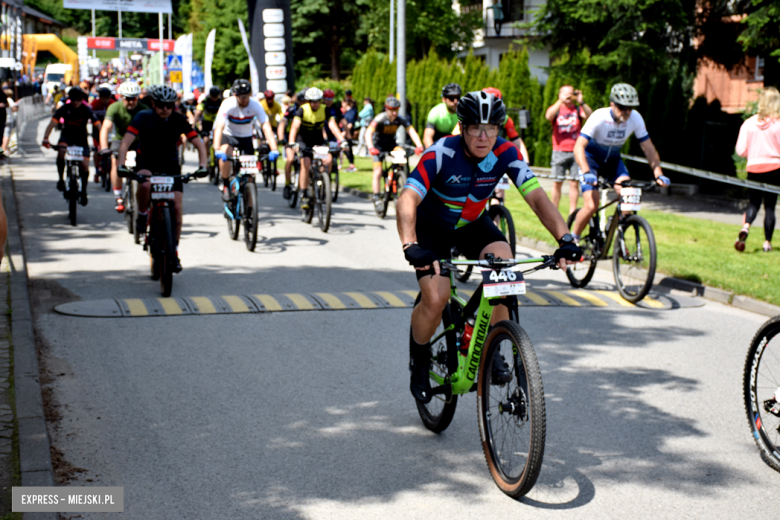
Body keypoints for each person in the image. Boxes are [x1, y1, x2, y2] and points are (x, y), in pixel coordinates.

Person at [397, 90, 582, 402]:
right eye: (475, 128)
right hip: (433, 227)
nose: (483, 137)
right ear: (462, 126)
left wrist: (565, 239)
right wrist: (410, 245)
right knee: (437, 297)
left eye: (491, 128)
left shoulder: (507, 153)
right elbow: (407, 198)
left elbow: (537, 197)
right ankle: (419, 360)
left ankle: (492, 344)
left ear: (499, 128)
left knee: (504, 268)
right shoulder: (441, 153)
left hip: (472, 223)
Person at [116, 85, 208, 272]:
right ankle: (142, 214)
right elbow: (126, 141)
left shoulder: (178, 119)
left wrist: (203, 166)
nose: (165, 109)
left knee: (177, 208)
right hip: (147, 161)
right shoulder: (143, 117)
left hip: (170, 164)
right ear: (153, 103)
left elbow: (198, 143)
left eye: (169, 105)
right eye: (160, 105)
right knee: (145, 184)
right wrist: (120, 165)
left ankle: (173, 252)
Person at [570, 83, 670, 241]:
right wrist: (586, 171)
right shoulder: (599, 116)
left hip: (613, 162)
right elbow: (578, 147)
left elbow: (648, 148)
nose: (627, 112)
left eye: (630, 108)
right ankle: (573, 238)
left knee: (628, 196)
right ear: (612, 104)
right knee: (591, 206)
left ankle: (618, 241)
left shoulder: (635, 118)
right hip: (591, 162)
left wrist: (658, 173)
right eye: (623, 107)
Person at [213, 79, 279, 202]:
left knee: (249, 176)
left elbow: (266, 126)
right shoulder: (227, 104)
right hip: (229, 135)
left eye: (247, 96)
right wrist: (217, 148)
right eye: (242, 97)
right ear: (235, 95)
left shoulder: (255, 104)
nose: (245, 100)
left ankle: (250, 208)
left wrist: (274, 148)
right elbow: (219, 127)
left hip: (246, 137)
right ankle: (226, 183)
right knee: (225, 153)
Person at [735, 86, 780, 252]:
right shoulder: (778, 124)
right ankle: (767, 243)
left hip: (754, 167)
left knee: (753, 203)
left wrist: (752, 153)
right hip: (775, 168)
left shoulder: (749, 123)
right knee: (769, 206)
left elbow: (740, 150)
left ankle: (745, 226)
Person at [288, 87, 346, 210]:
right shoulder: (302, 110)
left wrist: (342, 140)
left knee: (328, 159)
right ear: (308, 101)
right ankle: (304, 193)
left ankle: (324, 183)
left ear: (321, 101)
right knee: (306, 163)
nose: (315, 104)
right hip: (303, 141)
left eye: (317, 101)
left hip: (318, 140)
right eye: (312, 101)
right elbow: (294, 127)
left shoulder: (325, 110)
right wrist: (292, 142)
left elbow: (332, 126)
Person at [41, 87, 99, 205]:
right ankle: (61, 179)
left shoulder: (86, 110)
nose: (75, 102)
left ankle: (83, 191)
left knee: (84, 165)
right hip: (66, 137)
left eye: (78, 100)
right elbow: (52, 123)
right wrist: (46, 138)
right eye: (73, 99)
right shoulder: (64, 109)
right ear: (69, 99)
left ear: (81, 99)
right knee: (61, 152)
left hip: (81, 139)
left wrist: (102, 141)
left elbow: (98, 124)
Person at [364, 96, 424, 211]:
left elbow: (411, 131)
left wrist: (419, 145)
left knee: (401, 157)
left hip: (391, 144)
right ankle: (376, 197)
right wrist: (371, 148)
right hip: (378, 146)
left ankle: (397, 176)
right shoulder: (380, 118)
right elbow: (368, 133)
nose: (394, 112)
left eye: (396, 109)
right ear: (386, 109)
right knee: (378, 171)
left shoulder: (400, 119)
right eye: (391, 110)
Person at [99, 81, 149, 212]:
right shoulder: (114, 107)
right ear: (121, 97)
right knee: (115, 162)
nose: (131, 102)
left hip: (139, 140)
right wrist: (104, 147)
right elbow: (106, 128)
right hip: (120, 140)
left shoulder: (144, 109)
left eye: (134, 98)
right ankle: (118, 196)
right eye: (128, 98)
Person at [545, 85, 592, 216]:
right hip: (559, 150)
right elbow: (548, 116)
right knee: (557, 183)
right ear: (560, 94)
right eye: (565, 93)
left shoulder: (577, 109)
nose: (568, 96)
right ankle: (554, 211)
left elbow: (591, 116)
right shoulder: (557, 109)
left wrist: (581, 101)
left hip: (575, 151)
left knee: (573, 183)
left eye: (570, 94)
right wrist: (560, 101)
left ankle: (572, 213)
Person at [423, 83, 461, 148]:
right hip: (435, 141)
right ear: (444, 99)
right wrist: (432, 153)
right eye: (451, 98)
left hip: (451, 141)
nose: (455, 101)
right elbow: (427, 137)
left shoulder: (462, 112)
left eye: (458, 97)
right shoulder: (436, 112)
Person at [341, 98, 358, 171]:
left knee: (347, 149)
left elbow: (350, 124)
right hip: (347, 133)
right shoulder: (348, 112)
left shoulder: (351, 112)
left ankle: (352, 165)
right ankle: (351, 165)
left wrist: (344, 132)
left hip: (348, 134)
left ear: (345, 103)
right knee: (346, 149)